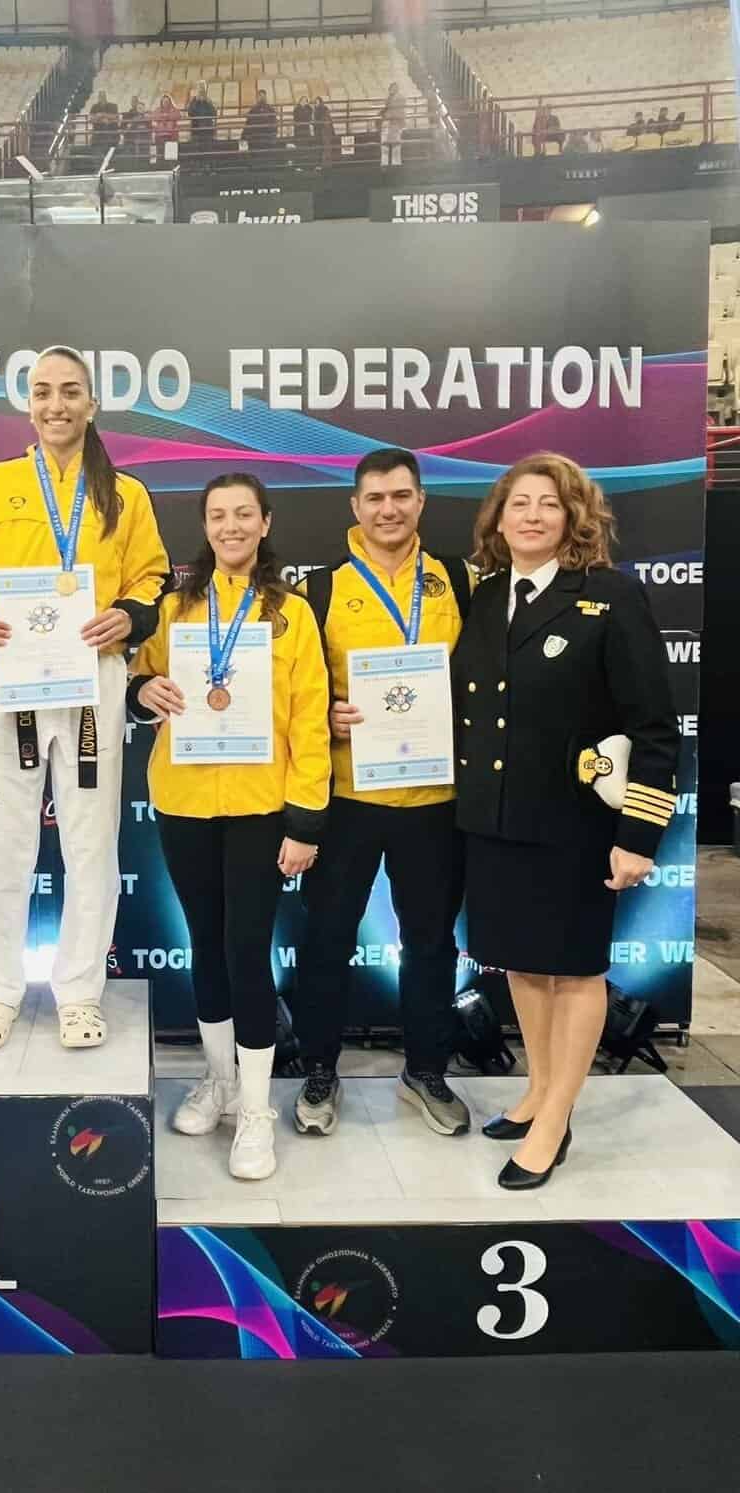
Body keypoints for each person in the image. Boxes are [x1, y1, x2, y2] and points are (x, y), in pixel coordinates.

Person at [453, 454, 678, 1189]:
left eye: (548, 504)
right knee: (523, 962)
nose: (532, 516)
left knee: (576, 969)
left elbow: (654, 726)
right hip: (497, 820)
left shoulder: (610, 596)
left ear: (573, 516)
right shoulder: (487, 596)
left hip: (576, 827)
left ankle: (555, 1120)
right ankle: (540, 1089)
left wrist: (638, 835)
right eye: (518, 503)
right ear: (498, 518)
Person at [0, 347, 168, 1051]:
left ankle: (78, 994)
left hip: (90, 686)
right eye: (43, 392)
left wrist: (129, 615)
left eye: (70, 392)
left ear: (92, 404)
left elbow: (152, 576)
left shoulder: (124, 494)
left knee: (91, 844)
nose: (56, 405)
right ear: (28, 404)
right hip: (3, 685)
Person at [129, 475, 329, 1181]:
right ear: (206, 525)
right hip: (184, 801)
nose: (231, 526)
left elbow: (310, 720)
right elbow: (140, 679)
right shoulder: (174, 607)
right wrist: (142, 690)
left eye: (244, 513)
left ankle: (255, 1108)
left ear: (265, 522)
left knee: (247, 951)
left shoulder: (291, 614)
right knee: (205, 945)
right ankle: (218, 1082)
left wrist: (305, 821)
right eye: (218, 515)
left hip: (259, 808)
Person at [291, 448, 473, 1141]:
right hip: (348, 798)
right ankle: (319, 1069)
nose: (388, 509)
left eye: (401, 496)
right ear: (355, 506)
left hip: (435, 799)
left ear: (421, 500)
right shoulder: (322, 589)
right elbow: (295, 692)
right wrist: (327, 712)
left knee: (430, 944)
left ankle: (426, 1069)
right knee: (326, 940)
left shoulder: (459, 579)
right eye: (374, 498)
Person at [242, 90, 278, 155]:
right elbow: (249, 121)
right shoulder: (254, 109)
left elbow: (274, 121)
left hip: (266, 133)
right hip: (257, 134)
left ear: (265, 97)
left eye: (263, 96)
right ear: (257, 98)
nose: (261, 98)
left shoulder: (270, 108)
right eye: (260, 96)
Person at [186, 81, 217, 156]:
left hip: (207, 129)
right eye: (200, 87)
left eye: (203, 87)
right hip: (196, 129)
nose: (201, 89)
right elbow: (190, 113)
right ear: (197, 89)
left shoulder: (209, 100)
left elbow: (214, 113)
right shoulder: (193, 100)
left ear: (206, 89)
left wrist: (208, 103)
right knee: (196, 150)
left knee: (208, 150)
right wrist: (196, 102)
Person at [122, 94, 152, 168]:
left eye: (141, 108)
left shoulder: (147, 117)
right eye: (139, 108)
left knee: (146, 154)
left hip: (145, 140)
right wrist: (133, 122)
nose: (140, 109)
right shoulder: (130, 115)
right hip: (135, 139)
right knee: (137, 155)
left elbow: (150, 128)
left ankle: (146, 166)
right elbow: (126, 128)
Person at [380, 81, 405, 167]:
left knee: (396, 145)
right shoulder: (389, 98)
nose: (392, 90)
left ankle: (396, 164)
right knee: (385, 145)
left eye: (394, 88)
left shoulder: (400, 98)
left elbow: (396, 111)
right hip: (387, 124)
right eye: (391, 88)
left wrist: (386, 115)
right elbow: (386, 109)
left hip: (395, 123)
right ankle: (384, 164)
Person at [89, 89, 120, 154]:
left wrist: (102, 114)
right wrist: (101, 119)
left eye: (103, 96)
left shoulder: (113, 106)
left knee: (111, 153)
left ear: (106, 96)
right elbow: (91, 118)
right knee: (97, 152)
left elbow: (115, 116)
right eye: (100, 96)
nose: (102, 97)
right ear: (98, 97)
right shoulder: (94, 106)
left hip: (111, 134)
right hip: (98, 135)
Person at [151, 93, 181, 159]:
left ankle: (171, 164)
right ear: (161, 102)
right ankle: (161, 164)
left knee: (171, 156)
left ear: (170, 102)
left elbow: (178, 115)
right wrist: (164, 116)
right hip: (160, 135)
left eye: (167, 101)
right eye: (164, 101)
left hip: (172, 135)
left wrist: (167, 116)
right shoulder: (158, 109)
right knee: (160, 155)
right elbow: (154, 116)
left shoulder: (174, 109)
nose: (165, 103)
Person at [313, 96, 335, 167]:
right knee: (325, 148)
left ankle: (326, 163)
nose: (317, 103)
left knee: (325, 147)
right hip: (323, 131)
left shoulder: (321, 109)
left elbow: (325, 120)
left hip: (324, 131)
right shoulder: (318, 109)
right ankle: (326, 163)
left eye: (318, 102)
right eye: (316, 102)